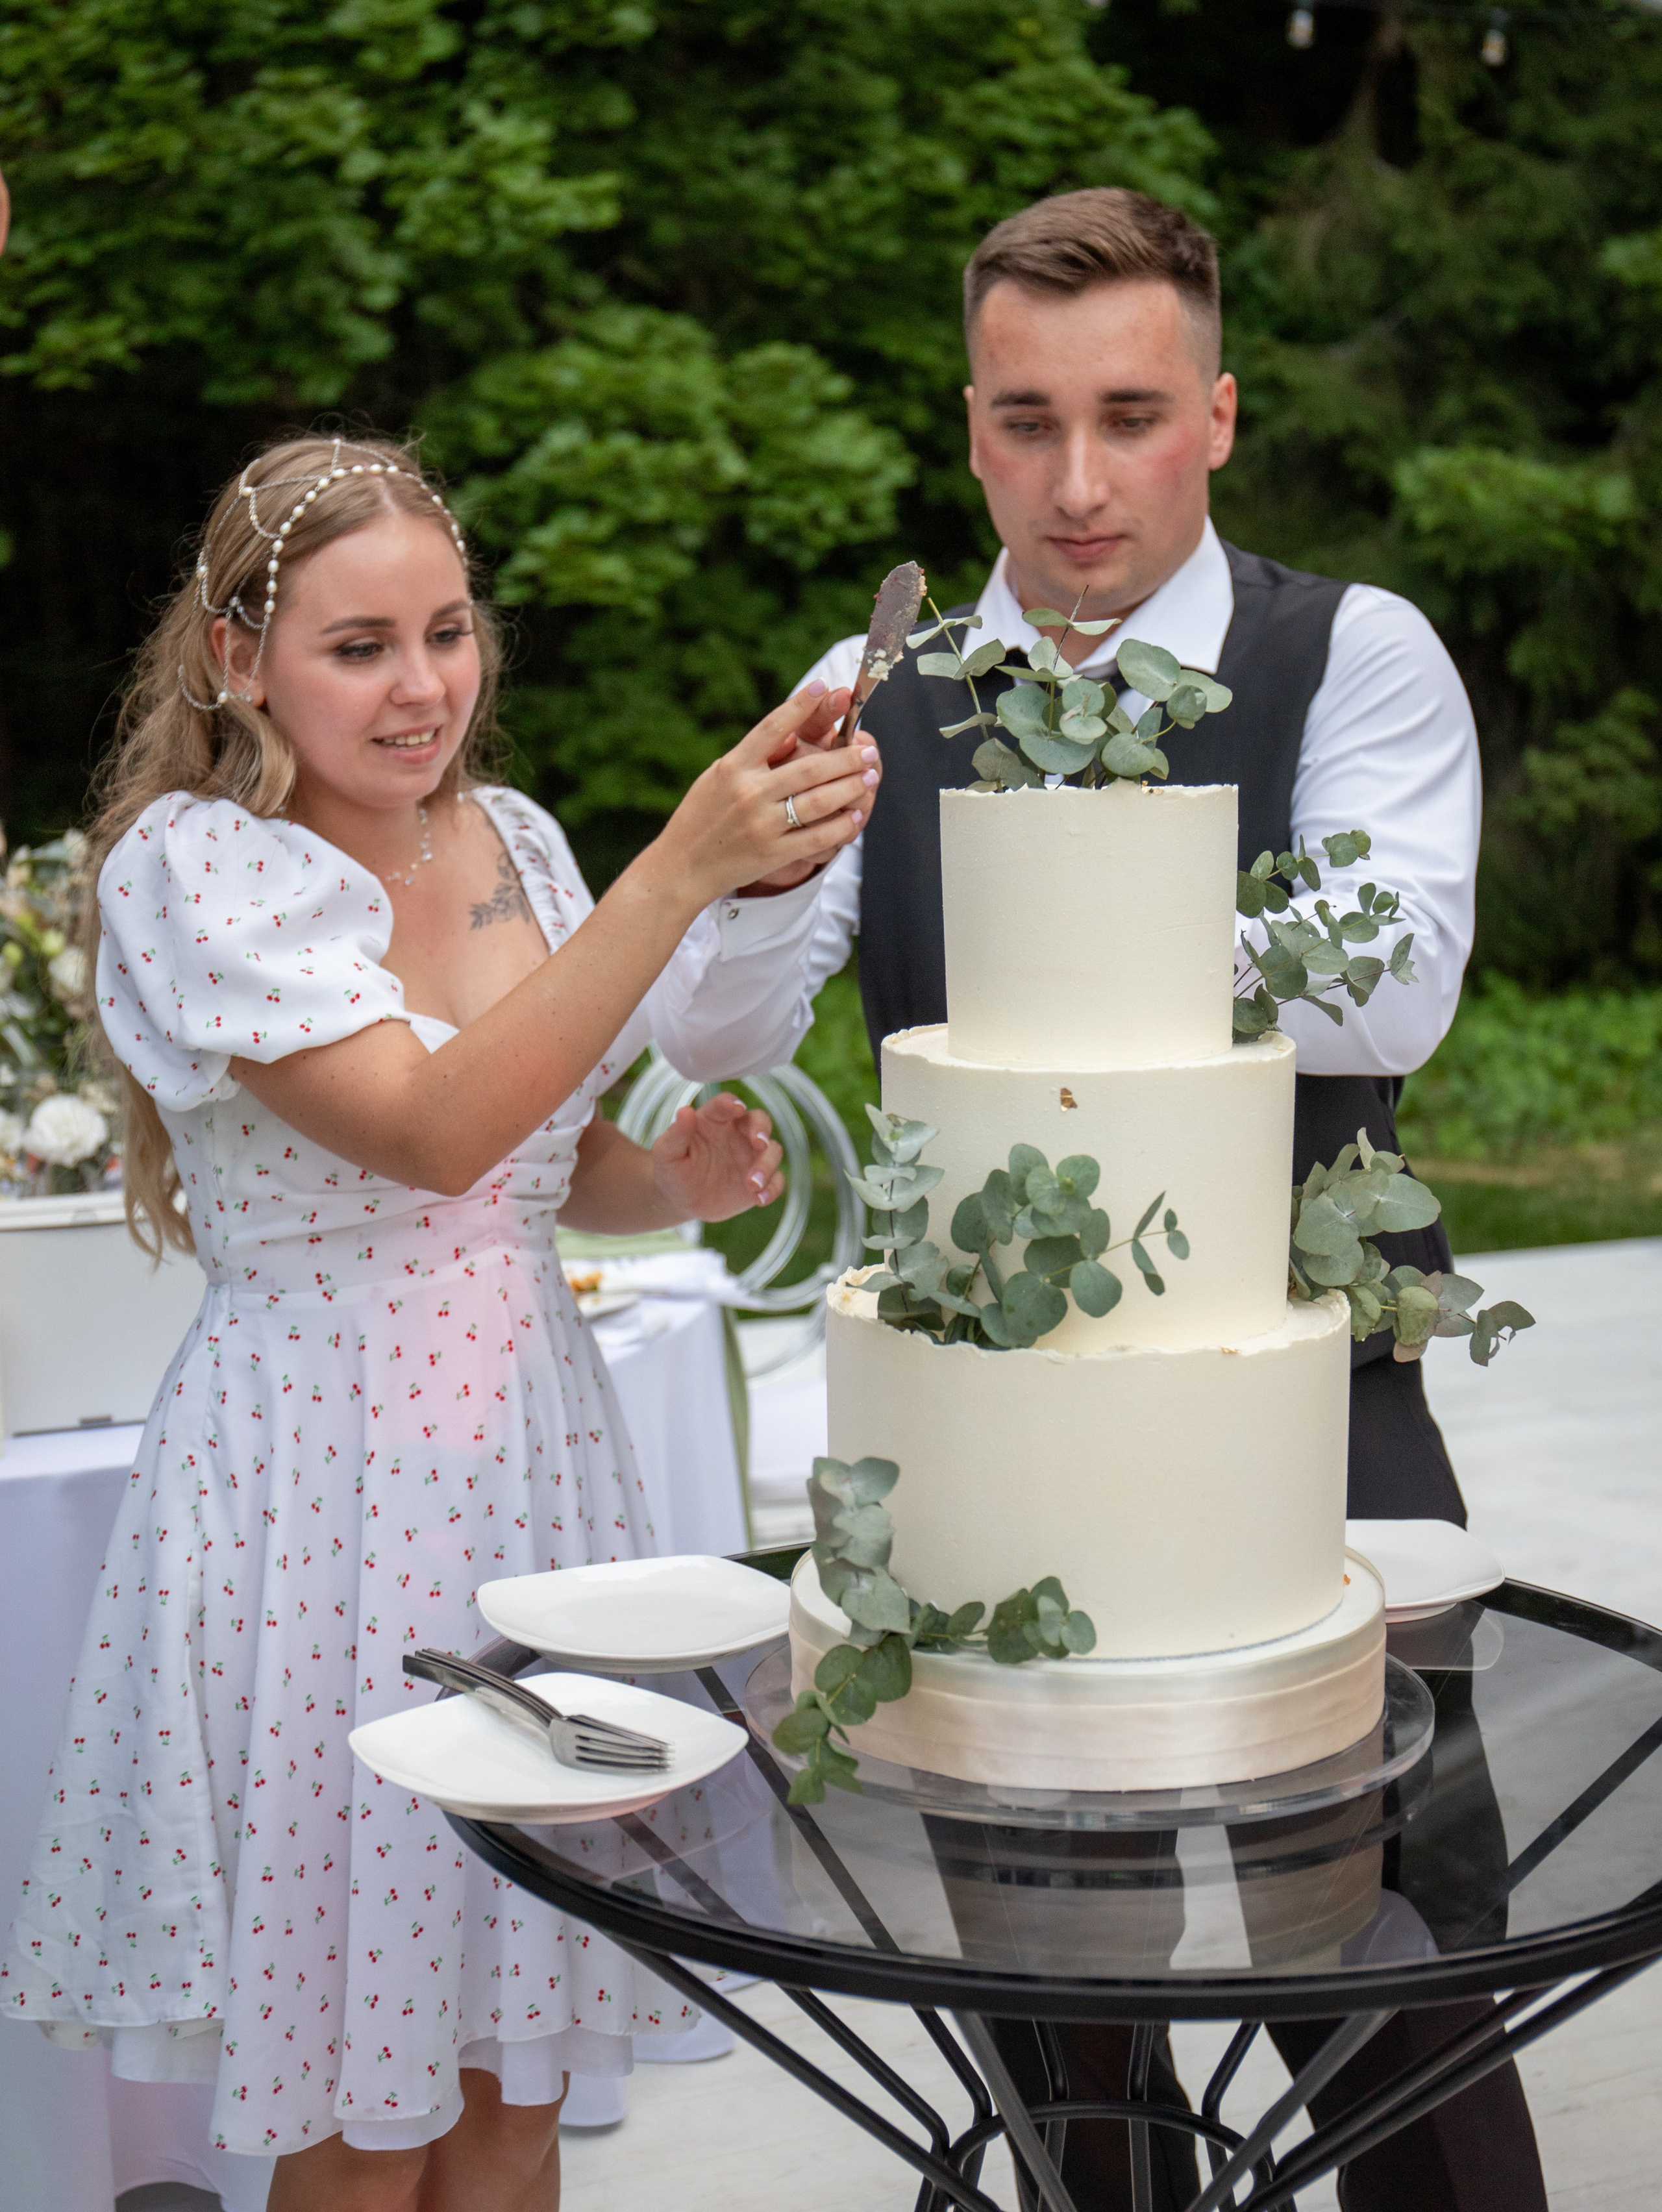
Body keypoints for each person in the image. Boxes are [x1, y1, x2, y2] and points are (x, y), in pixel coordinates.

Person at [1, 432, 872, 2211]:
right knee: (357, 2107)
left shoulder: (520, 840)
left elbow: (531, 1164)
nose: (424, 689)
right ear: (239, 657)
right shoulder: (202, 872)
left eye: (450, 631)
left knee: (511, 2075)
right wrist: (682, 871)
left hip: (531, 1476)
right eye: (361, 646)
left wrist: (669, 1184)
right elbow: (428, 1125)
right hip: (317, 1500)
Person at [792, 191, 1546, 2211]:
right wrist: (737, 857)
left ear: (1216, 413)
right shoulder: (881, 687)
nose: (1080, 477)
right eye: (1028, 422)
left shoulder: (1352, 651)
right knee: (1056, 2001)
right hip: (995, 1443)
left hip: (1317, 1407)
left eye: (1130, 414)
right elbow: (718, 1028)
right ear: (970, 430)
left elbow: (1389, 978)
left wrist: (1068, 893)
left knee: (1400, 1959)